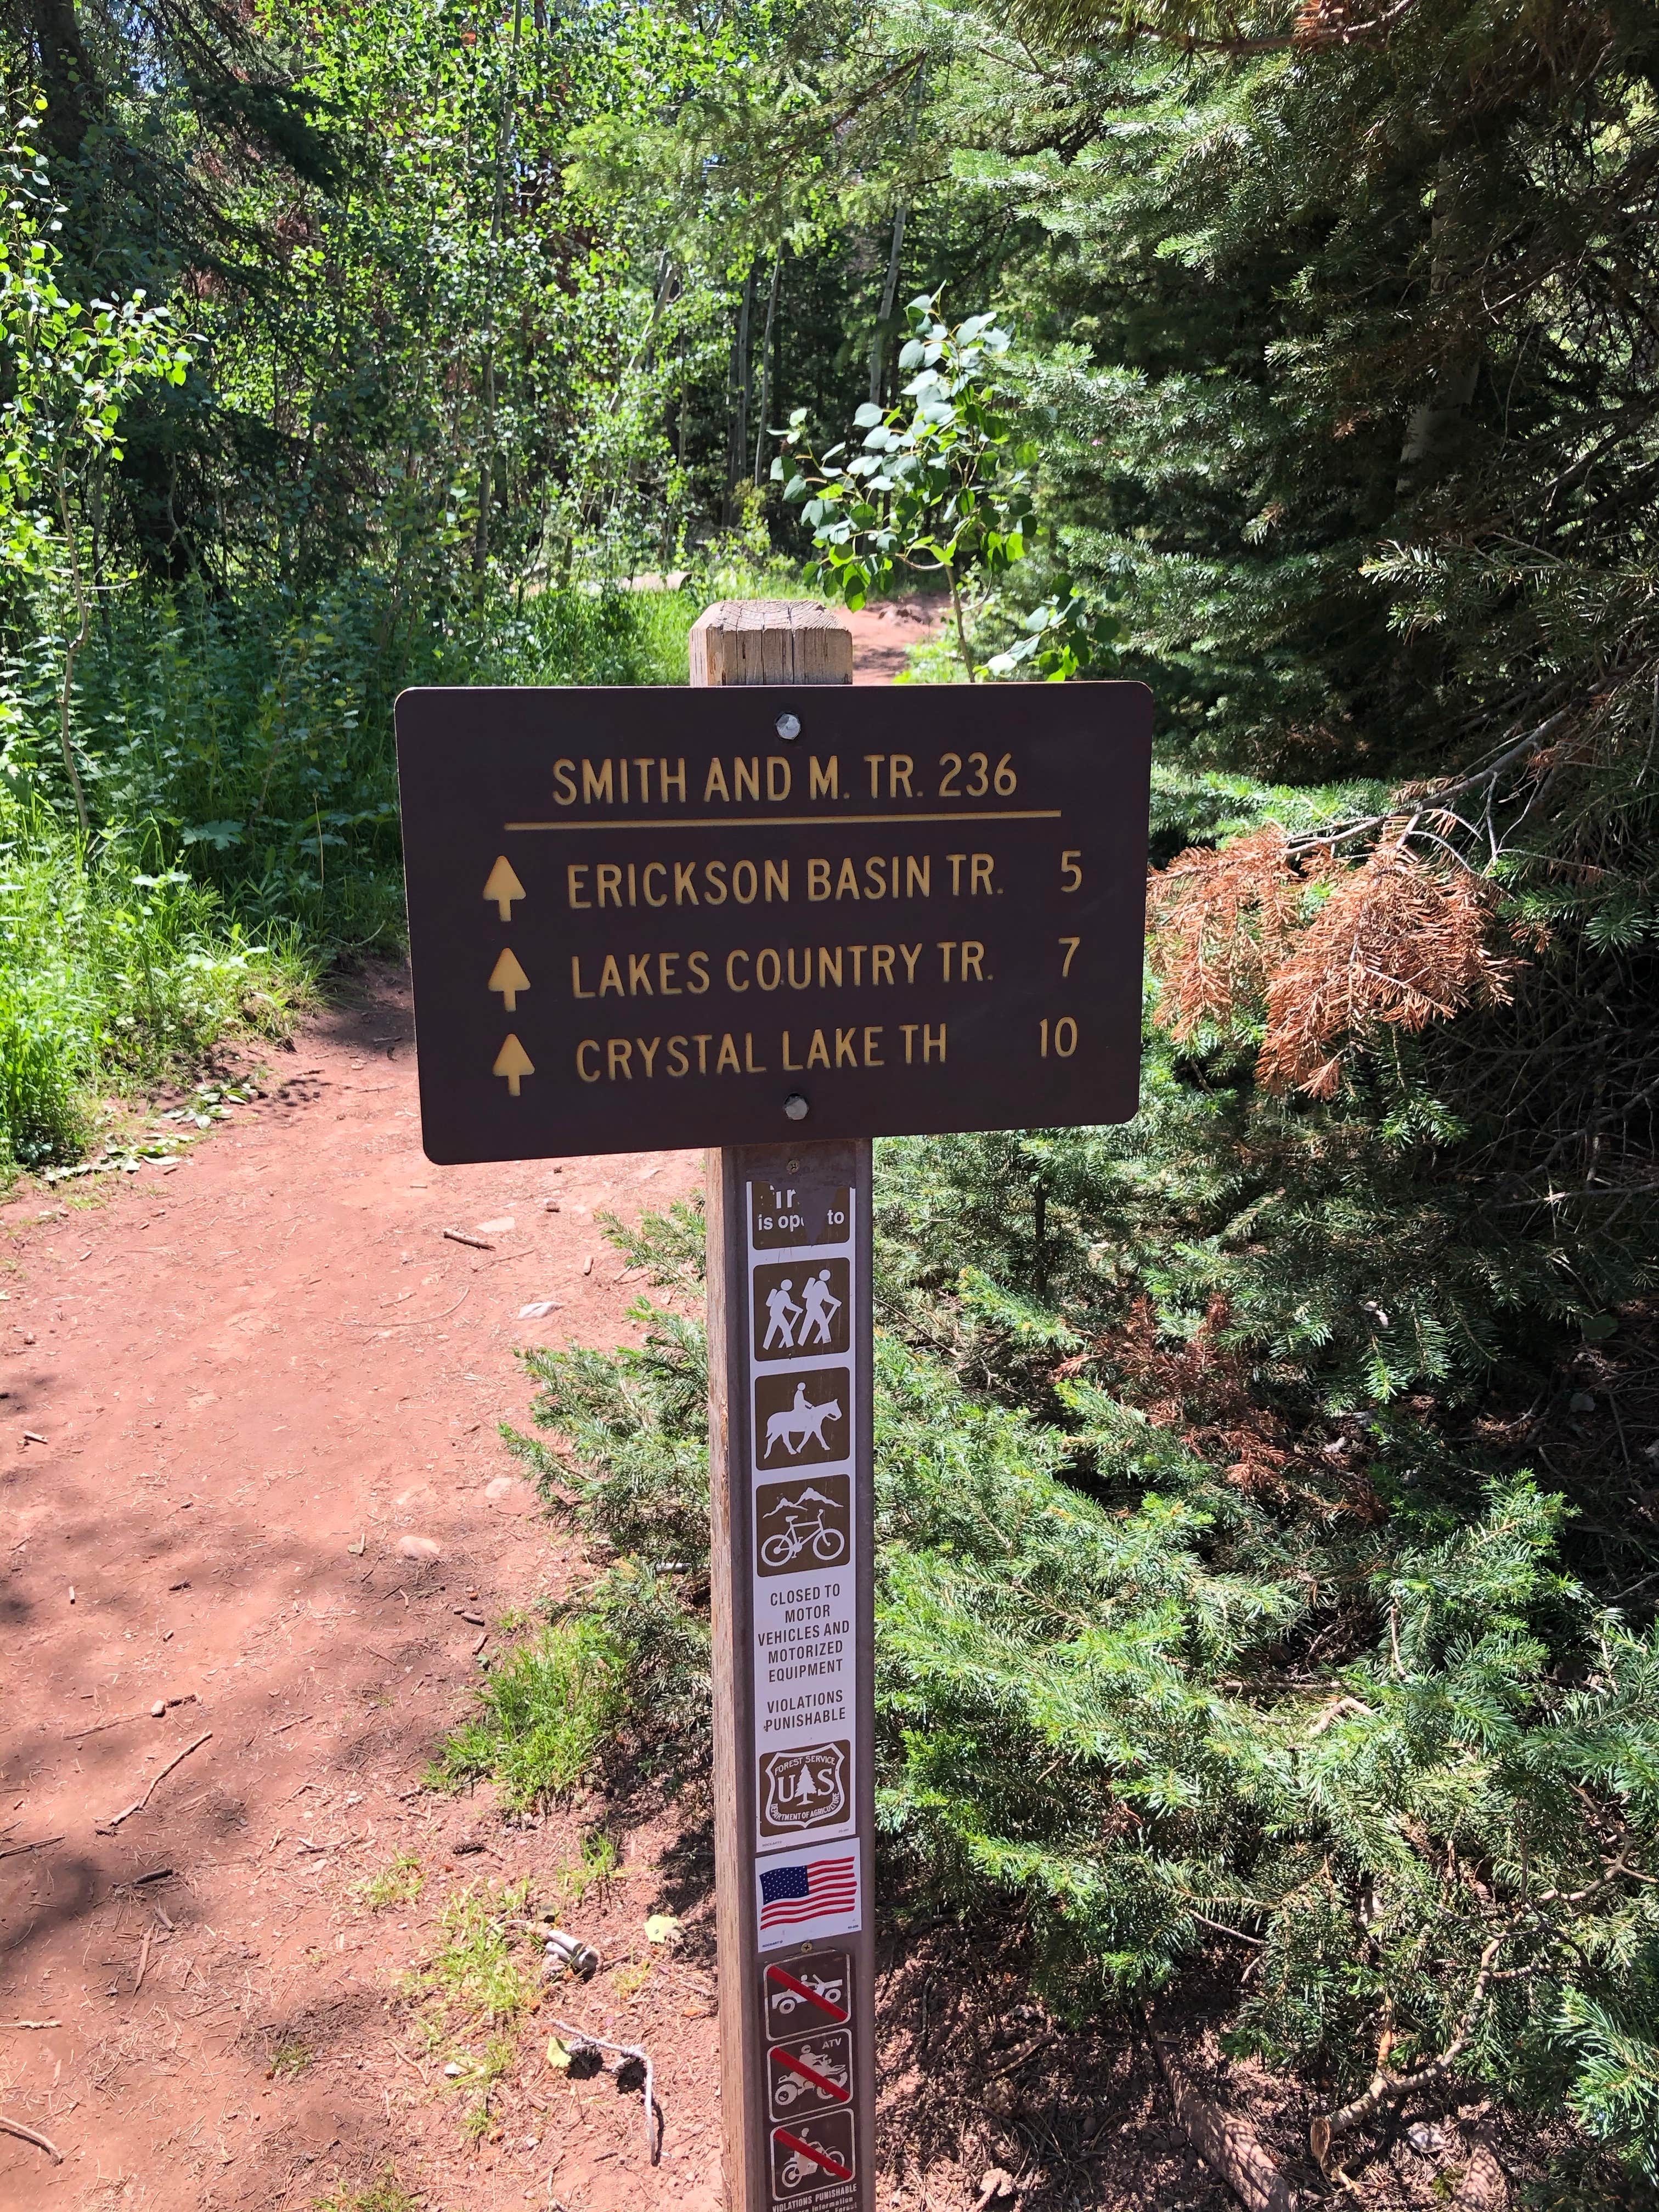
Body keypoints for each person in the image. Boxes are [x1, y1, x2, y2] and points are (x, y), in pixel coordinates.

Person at [800, 1268, 842, 1346]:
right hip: (815, 1306)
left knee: (807, 1323)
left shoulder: (816, 1284)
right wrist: (837, 1302)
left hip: (809, 1305)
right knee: (823, 1322)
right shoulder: (822, 1284)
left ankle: (801, 1342)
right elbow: (826, 1298)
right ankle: (827, 1341)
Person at [764, 1278, 803, 1350]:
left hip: (774, 1313)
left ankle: (766, 1346)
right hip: (778, 1314)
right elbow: (789, 1306)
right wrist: (799, 1309)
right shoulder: (784, 1294)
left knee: (772, 1329)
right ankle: (790, 1345)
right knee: (786, 1327)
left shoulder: (779, 1293)